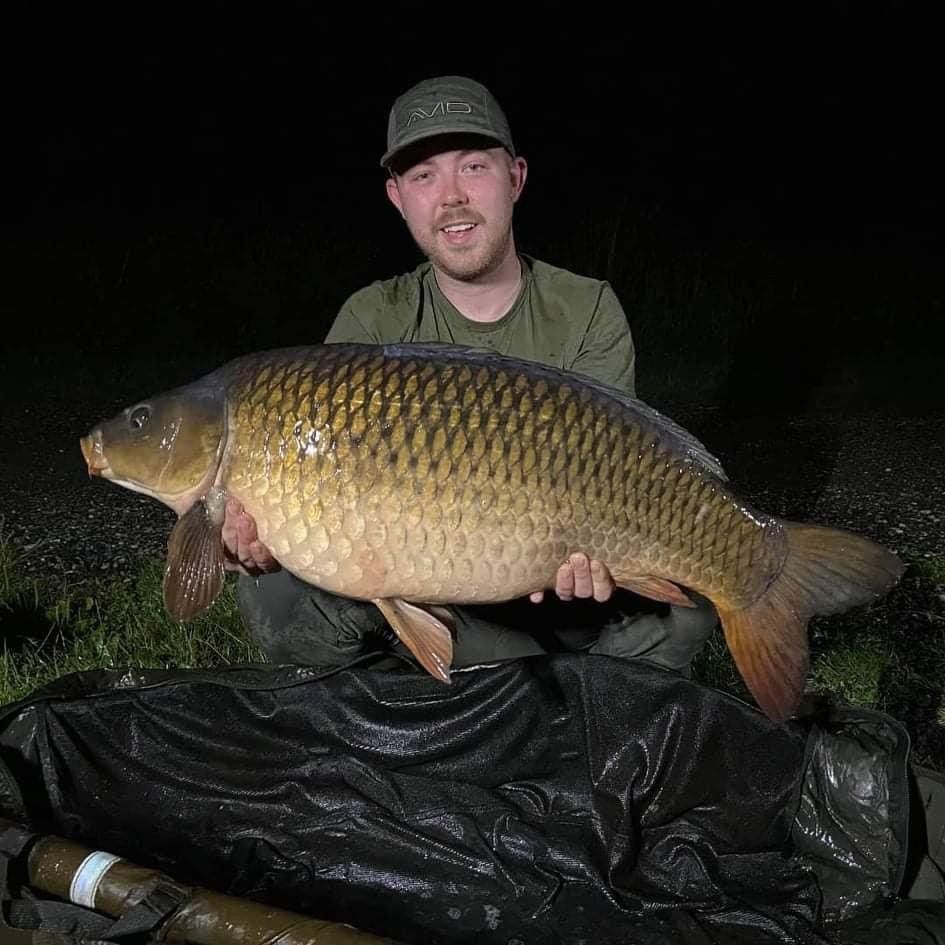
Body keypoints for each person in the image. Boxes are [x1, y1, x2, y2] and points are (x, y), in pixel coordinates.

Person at [220, 74, 717, 678]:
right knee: (275, 591)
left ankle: (564, 694)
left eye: (473, 167)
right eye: (423, 176)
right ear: (397, 196)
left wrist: (601, 558)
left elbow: (621, 471)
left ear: (516, 178)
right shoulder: (374, 320)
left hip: (559, 605)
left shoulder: (586, 309)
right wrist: (262, 537)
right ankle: (421, 705)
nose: (451, 196)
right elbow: (324, 499)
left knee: (691, 605)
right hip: (443, 599)